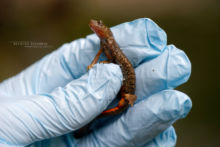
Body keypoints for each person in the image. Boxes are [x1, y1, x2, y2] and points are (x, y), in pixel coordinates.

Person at [0, 18, 192, 147]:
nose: (95, 25)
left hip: (127, 91)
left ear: (106, 32)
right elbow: (103, 55)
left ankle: (93, 121)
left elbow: (110, 57)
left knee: (121, 112)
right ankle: (87, 125)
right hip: (119, 85)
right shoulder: (105, 44)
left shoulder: (110, 43)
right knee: (100, 115)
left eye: (99, 24)